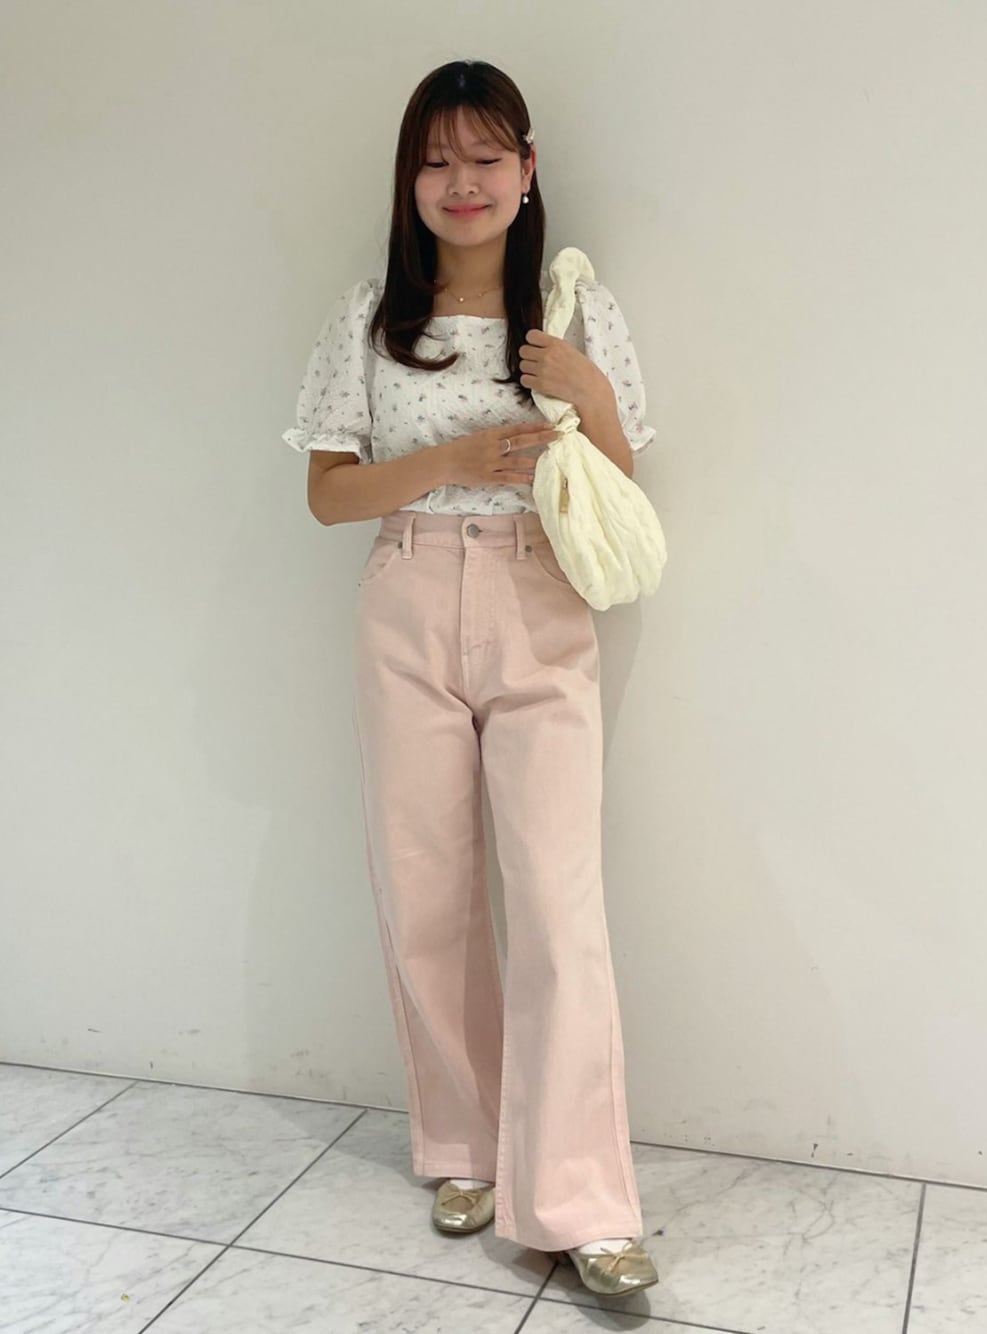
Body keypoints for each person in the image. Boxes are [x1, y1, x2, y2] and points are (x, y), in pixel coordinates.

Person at [282, 59, 659, 1296]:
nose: (462, 182)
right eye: (436, 160)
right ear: (409, 180)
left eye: (486, 157)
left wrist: (585, 392)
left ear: (527, 169)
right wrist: (453, 456)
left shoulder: (574, 315)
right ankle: (462, 1144)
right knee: (427, 893)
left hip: (538, 595)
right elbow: (328, 494)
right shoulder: (370, 318)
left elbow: (625, 484)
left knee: (557, 901)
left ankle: (585, 1199)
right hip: (405, 594)